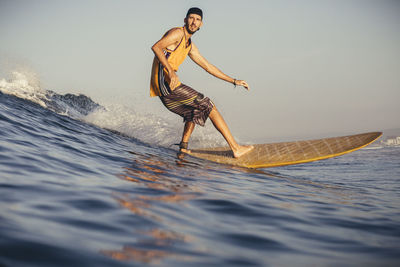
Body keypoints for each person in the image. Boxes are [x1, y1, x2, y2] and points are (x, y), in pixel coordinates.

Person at [150, 7, 253, 158]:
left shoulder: (189, 45)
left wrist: (233, 81)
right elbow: (156, 47)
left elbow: (208, 66)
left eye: (197, 20)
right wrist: (171, 72)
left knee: (196, 110)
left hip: (169, 84)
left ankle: (183, 148)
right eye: (191, 18)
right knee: (208, 104)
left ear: (201, 24)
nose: (194, 22)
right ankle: (235, 148)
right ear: (185, 20)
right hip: (164, 83)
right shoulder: (177, 33)